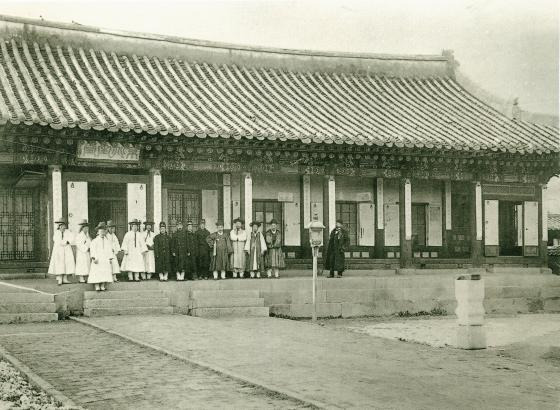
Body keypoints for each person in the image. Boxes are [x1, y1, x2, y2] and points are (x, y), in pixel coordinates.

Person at [48, 218, 75, 286]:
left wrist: (68, 241)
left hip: (67, 250)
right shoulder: (56, 233)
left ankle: (65, 278)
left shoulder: (68, 232)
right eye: (61, 226)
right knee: (59, 263)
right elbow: (57, 241)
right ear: (59, 226)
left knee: (66, 263)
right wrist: (65, 242)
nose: (63, 227)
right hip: (59, 250)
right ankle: (59, 278)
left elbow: (71, 238)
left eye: (64, 226)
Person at [88, 222, 114, 291]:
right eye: (101, 231)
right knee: (97, 272)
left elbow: (109, 250)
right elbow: (93, 250)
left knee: (104, 272)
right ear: (98, 232)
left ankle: (102, 285)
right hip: (98, 259)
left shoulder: (107, 241)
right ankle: (97, 286)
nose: (102, 233)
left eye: (104, 231)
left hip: (105, 259)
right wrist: (94, 258)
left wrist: (110, 258)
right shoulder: (95, 241)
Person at [74, 219, 91, 283]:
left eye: (87, 228)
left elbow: (89, 242)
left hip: (86, 252)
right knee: (81, 264)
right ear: (82, 228)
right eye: (85, 228)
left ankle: (85, 277)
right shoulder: (79, 235)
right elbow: (79, 244)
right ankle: (81, 278)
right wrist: (86, 248)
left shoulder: (87, 235)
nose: (87, 229)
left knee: (86, 264)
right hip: (81, 252)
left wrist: (89, 247)